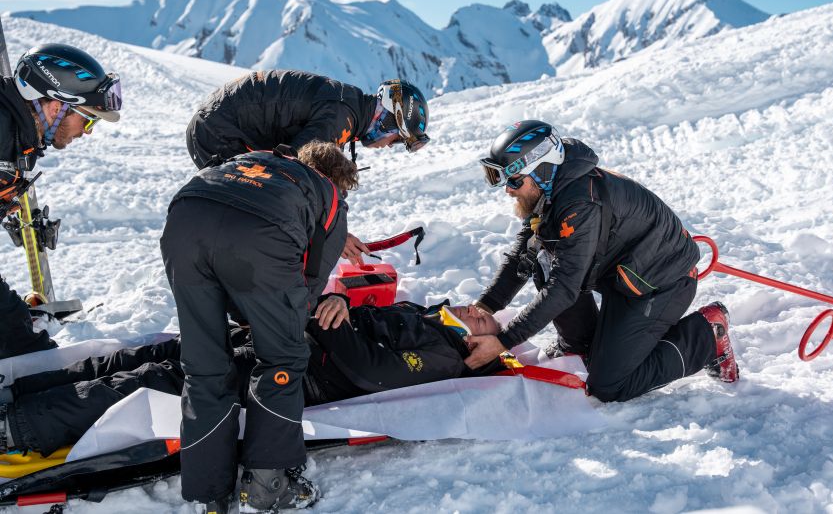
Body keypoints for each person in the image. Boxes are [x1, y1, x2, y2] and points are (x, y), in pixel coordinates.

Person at [0, 302, 502, 460]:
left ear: (476, 348)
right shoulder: (429, 320)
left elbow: (371, 372)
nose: (473, 312)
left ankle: (17, 427)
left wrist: (331, 320)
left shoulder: (443, 358)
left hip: (293, 376)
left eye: (482, 322)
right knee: (148, 353)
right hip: (276, 340)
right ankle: (18, 392)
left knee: (156, 380)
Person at [464, 120, 739, 404]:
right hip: (624, 276)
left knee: (608, 385)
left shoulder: (580, 204)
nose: (508, 190)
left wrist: (502, 342)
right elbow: (523, 255)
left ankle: (706, 336)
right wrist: (482, 308)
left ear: (542, 169)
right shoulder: (551, 192)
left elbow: (565, 286)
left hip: (661, 283)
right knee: (542, 260)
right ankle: (580, 347)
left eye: (514, 180)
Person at [161, 141, 358, 513]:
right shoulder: (330, 194)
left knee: (203, 364)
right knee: (283, 358)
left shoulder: (259, 159)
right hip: (259, 233)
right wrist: (269, 317)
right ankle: (269, 485)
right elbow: (309, 283)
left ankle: (210, 493)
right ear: (339, 180)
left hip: (186, 217)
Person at [185, 71, 430, 265]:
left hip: (218, 124)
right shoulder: (340, 118)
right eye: (397, 139)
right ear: (387, 119)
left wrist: (334, 232)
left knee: (264, 209)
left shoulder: (348, 111)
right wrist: (336, 237)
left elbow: (322, 179)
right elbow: (301, 177)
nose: (390, 146)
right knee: (259, 208)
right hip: (219, 132)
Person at [0, 43, 122, 359]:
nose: (88, 132)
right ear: (57, 106)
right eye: (89, 119)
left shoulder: (12, 135)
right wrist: (19, 332)